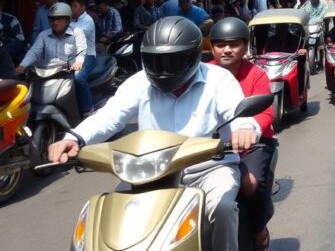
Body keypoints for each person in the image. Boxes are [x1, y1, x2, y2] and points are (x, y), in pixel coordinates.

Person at [47, 17, 260, 251]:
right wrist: (74, 138)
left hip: (208, 168)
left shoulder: (218, 79)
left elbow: (239, 113)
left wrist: (244, 129)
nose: (163, 68)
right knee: (110, 219)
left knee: (223, 208)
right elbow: (109, 116)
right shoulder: (139, 82)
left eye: (172, 60)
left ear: (192, 55)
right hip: (150, 172)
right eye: (156, 60)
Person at [210, 17, 275, 251]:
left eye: (234, 44)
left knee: (249, 184)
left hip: (253, 146)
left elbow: (266, 113)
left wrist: (249, 129)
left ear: (245, 46)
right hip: (211, 148)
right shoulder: (203, 74)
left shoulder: (256, 75)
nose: (226, 50)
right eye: (220, 45)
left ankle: (259, 231)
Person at [17, 3, 90, 114]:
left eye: (59, 19)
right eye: (52, 19)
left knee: (78, 79)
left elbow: (82, 49)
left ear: (67, 20)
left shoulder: (77, 32)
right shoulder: (43, 35)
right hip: (48, 73)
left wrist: (79, 62)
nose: (55, 22)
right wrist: (23, 65)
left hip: (68, 71)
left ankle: (86, 110)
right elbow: (34, 51)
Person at [69, 0, 98, 115]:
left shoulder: (87, 20)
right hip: (71, 56)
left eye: (74, 6)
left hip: (87, 55)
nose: (72, 9)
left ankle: (88, 108)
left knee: (78, 77)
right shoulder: (71, 20)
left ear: (83, 7)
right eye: (71, 6)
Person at [0, 0, 27, 73]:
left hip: (7, 61)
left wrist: (3, 49)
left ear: (1, 5)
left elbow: (20, 41)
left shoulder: (11, 20)